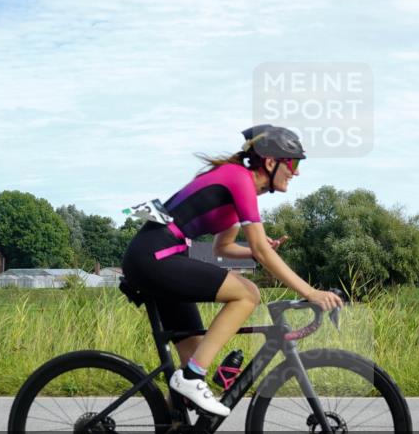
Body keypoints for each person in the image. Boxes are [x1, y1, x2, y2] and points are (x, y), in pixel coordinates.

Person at [121, 124, 344, 416]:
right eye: (294, 163)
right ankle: (192, 379)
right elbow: (261, 253)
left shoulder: (240, 187)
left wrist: (254, 249)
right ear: (271, 162)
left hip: (160, 256)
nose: (297, 172)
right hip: (155, 256)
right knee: (247, 293)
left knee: (194, 352)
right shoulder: (238, 179)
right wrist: (310, 291)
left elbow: (222, 248)